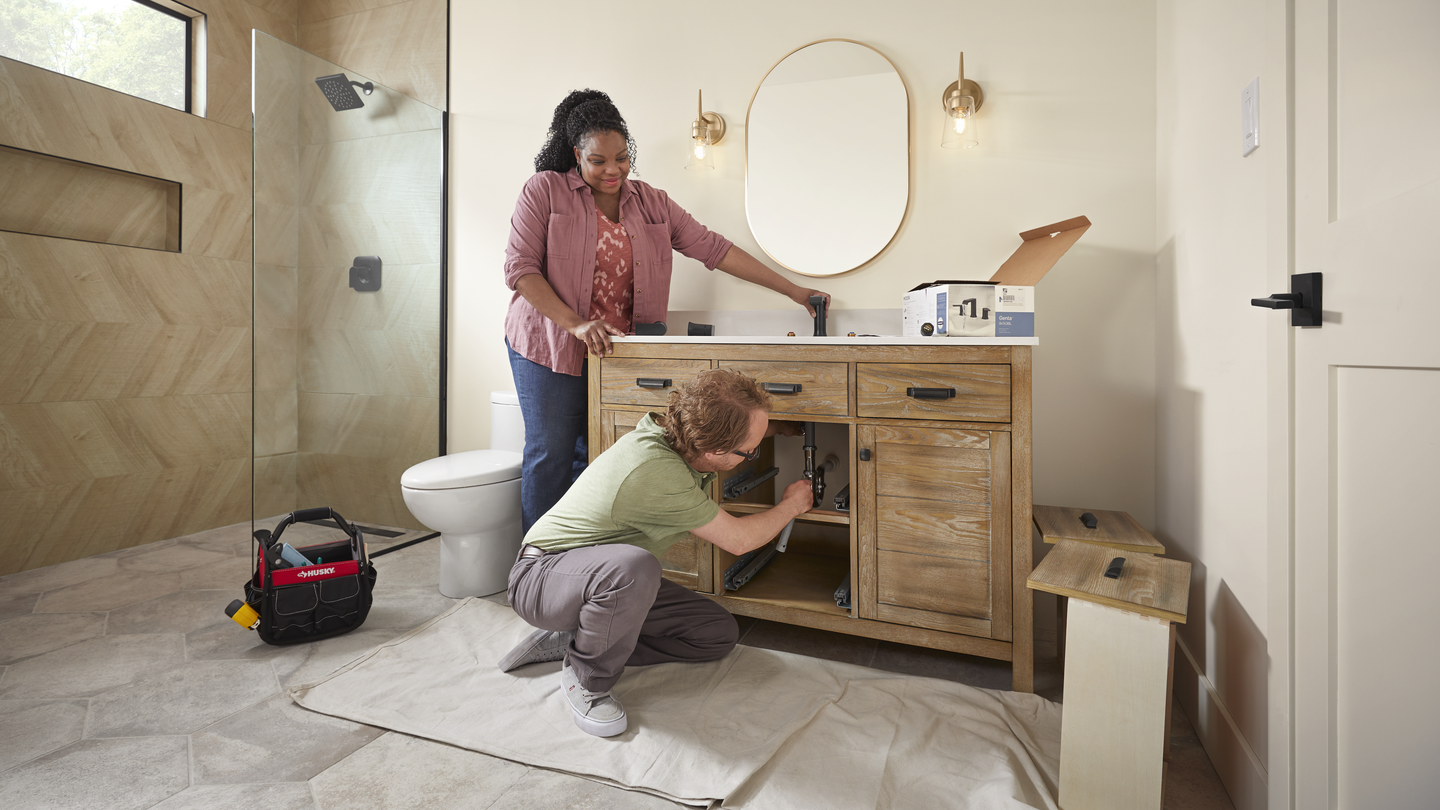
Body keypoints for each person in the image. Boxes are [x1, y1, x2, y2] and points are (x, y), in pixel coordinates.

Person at [503, 88, 828, 533]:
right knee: (551, 452)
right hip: (549, 343)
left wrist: (792, 290)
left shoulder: (652, 202)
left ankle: (581, 558)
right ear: (576, 154)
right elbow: (520, 270)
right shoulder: (545, 191)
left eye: (622, 157)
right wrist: (576, 324)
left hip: (616, 353)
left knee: (599, 454)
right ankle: (535, 565)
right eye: (598, 160)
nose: (613, 169)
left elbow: (714, 248)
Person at [498, 369, 813, 737]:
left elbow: (725, 429)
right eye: (750, 449)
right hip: (541, 577)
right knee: (636, 567)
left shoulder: (674, 434)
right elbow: (739, 540)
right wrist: (792, 505)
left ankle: (579, 639)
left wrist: (780, 427)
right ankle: (588, 681)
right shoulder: (657, 472)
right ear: (714, 450)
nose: (753, 453)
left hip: (600, 581)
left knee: (716, 633)